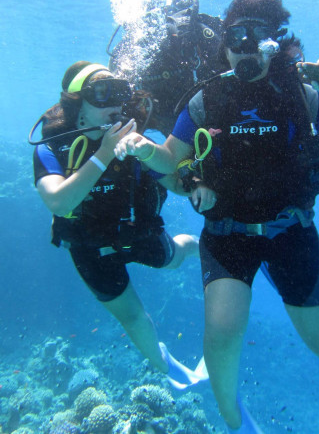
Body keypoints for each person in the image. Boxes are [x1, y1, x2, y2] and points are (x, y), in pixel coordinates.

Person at [113, 0, 319, 433]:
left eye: (257, 36)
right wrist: (143, 149)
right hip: (227, 233)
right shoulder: (205, 100)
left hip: (291, 231)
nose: (245, 47)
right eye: (235, 37)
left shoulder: (299, 92)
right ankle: (236, 422)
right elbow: (170, 158)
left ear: (273, 43)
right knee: (220, 338)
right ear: (223, 46)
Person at [31, 61, 207, 389]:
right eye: (101, 93)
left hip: (138, 231)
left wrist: (153, 154)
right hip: (89, 247)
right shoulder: (52, 147)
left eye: (119, 94)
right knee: (132, 317)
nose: (114, 104)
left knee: (174, 258)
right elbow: (58, 202)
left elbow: (178, 185)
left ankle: (206, 249)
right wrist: (104, 153)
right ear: (76, 104)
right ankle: (167, 368)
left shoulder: (134, 140)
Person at [109, 0, 224, 136]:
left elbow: (224, 67)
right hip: (160, 117)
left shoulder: (187, 35)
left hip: (199, 111)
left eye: (150, 19)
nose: (146, 29)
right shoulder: (125, 54)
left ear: (162, 14)